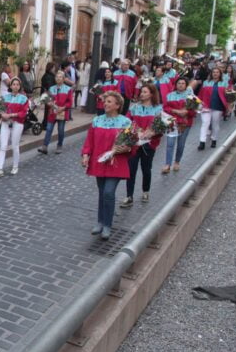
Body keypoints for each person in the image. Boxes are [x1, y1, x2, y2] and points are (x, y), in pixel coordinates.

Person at [81, 91, 133, 240]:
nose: (105, 104)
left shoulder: (125, 122)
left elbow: (131, 144)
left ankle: (108, 225)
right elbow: (89, 141)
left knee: (109, 192)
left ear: (117, 105)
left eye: (109, 102)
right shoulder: (97, 121)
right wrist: (86, 155)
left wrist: (126, 148)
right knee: (102, 192)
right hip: (99, 162)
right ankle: (100, 221)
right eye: (105, 101)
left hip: (116, 163)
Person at [120, 84, 163, 208]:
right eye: (141, 92)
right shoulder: (134, 107)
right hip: (134, 143)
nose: (141, 94)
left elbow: (161, 126)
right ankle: (129, 196)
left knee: (146, 169)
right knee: (131, 170)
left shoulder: (158, 109)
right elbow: (127, 122)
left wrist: (152, 133)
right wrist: (136, 131)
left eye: (145, 92)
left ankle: (145, 191)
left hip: (149, 144)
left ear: (151, 94)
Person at [0, 77, 28, 178]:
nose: (15, 86)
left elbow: (23, 113)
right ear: (10, 86)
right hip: (5, 123)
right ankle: (0, 169)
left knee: (14, 145)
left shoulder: (23, 98)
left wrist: (11, 115)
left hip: (17, 124)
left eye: (17, 84)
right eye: (14, 84)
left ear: (20, 86)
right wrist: (2, 114)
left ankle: (15, 166)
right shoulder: (4, 97)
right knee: (3, 146)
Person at [161, 77, 197, 174]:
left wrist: (186, 112)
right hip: (172, 123)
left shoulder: (191, 96)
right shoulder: (170, 95)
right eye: (179, 83)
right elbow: (165, 108)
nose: (180, 85)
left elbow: (194, 112)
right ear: (176, 85)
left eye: (183, 83)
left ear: (186, 85)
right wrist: (175, 111)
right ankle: (167, 164)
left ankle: (177, 161)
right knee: (170, 144)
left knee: (181, 144)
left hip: (185, 123)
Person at [38, 71, 72, 155]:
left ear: (63, 79)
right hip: (52, 112)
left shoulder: (68, 89)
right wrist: (48, 103)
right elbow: (48, 99)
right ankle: (45, 146)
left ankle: (59, 145)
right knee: (49, 129)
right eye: (57, 77)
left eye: (60, 77)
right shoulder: (51, 88)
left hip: (62, 112)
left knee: (60, 130)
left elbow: (70, 102)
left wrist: (63, 107)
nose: (58, 78)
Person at [197, 67, 231, 150]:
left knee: (215, 124)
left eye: (217, 72)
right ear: (211, 74)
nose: (215, 74)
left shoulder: (224, 83)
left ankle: (214, 139)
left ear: (220, 74)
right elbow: (200, 94)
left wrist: (229, 106)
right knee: (205, 123)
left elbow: (229, 96)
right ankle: (202, 142)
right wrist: (198, 103)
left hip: (218, 106)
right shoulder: (206, 82)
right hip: (206, 106)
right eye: (214, 72)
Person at [40, 62, 57, 128]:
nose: (54, 69)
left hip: (44, 95)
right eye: (54, 67)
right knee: (49, 110)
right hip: (48, 95)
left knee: (47, 110)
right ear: (51, 68)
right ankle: (46, 124)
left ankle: (45, 123)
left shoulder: (46, 75)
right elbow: (50, 87)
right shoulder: (49, 76)